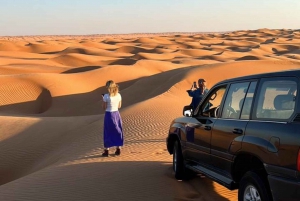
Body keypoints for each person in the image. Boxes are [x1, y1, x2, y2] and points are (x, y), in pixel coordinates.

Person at [101, 80, 124, 157]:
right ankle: (118, 149)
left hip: (109, 115)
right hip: (116, 114)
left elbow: (104, 108)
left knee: (108, 132)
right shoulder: (119, 95)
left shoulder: (106, 96)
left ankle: (106, 150)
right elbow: (119, 106)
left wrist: (103, 99)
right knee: (117, 131)